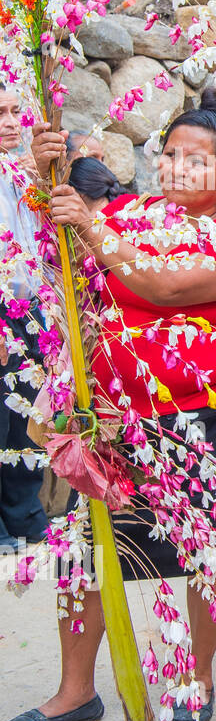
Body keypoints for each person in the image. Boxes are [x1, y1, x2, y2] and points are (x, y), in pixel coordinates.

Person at [2, 89, 216, 721]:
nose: (177, 168)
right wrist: (45, 176)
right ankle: (75, 690)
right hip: (121, 422)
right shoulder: (132, 212)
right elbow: (63, 251)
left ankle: (198, 675)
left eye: (197, 159)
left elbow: (166, 283)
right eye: (171, 154)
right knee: (87, 551)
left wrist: (92, 226)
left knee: (209, 550)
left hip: (214, 422)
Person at [0, 90, 66, 551]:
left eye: (13, 113)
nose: (9, 123)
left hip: (32, 311)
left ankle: (25, 512)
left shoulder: (21, 173)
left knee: (26, 412)